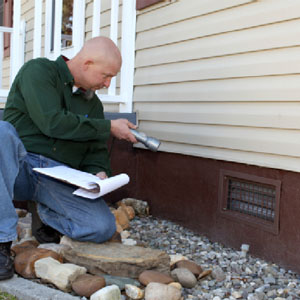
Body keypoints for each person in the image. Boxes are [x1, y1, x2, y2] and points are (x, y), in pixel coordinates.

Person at [0, 36, 137, 280]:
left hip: (56, 176)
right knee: (1, 133)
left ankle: (48, 218)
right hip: (18, 167)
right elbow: (52, 122)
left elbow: (95, 150)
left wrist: (99, 172)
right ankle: (1, 242)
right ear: (87, 63)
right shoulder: (39, 71)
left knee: (101, 227)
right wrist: (108, 126)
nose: (107, 83)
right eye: (106, 75)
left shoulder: (92, 105)